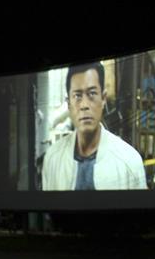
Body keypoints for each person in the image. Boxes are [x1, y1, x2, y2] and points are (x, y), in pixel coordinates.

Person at [42, 62, 147, 190]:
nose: (84, 105)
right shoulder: (53, 159)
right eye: (77, 96)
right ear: (68, 103)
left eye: (92, 94)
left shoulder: (129, 162)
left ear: (103, 99)